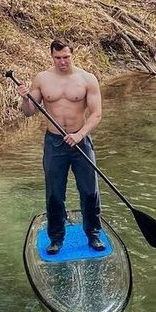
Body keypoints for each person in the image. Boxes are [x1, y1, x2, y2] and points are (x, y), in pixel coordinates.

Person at [17, 40, 105, 256]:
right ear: (52, 57)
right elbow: (29, 111)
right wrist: (26, 98)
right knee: (55, 193)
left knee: (89, 190)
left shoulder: (87, 79)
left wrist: (79, 134)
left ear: (72, 55)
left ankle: (93, 234)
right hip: (54, 142)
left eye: (66, 57)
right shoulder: (42, 79)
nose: (62, 61)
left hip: (81, 141)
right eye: (58, 58)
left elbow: (96, 114)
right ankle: (56, 238)